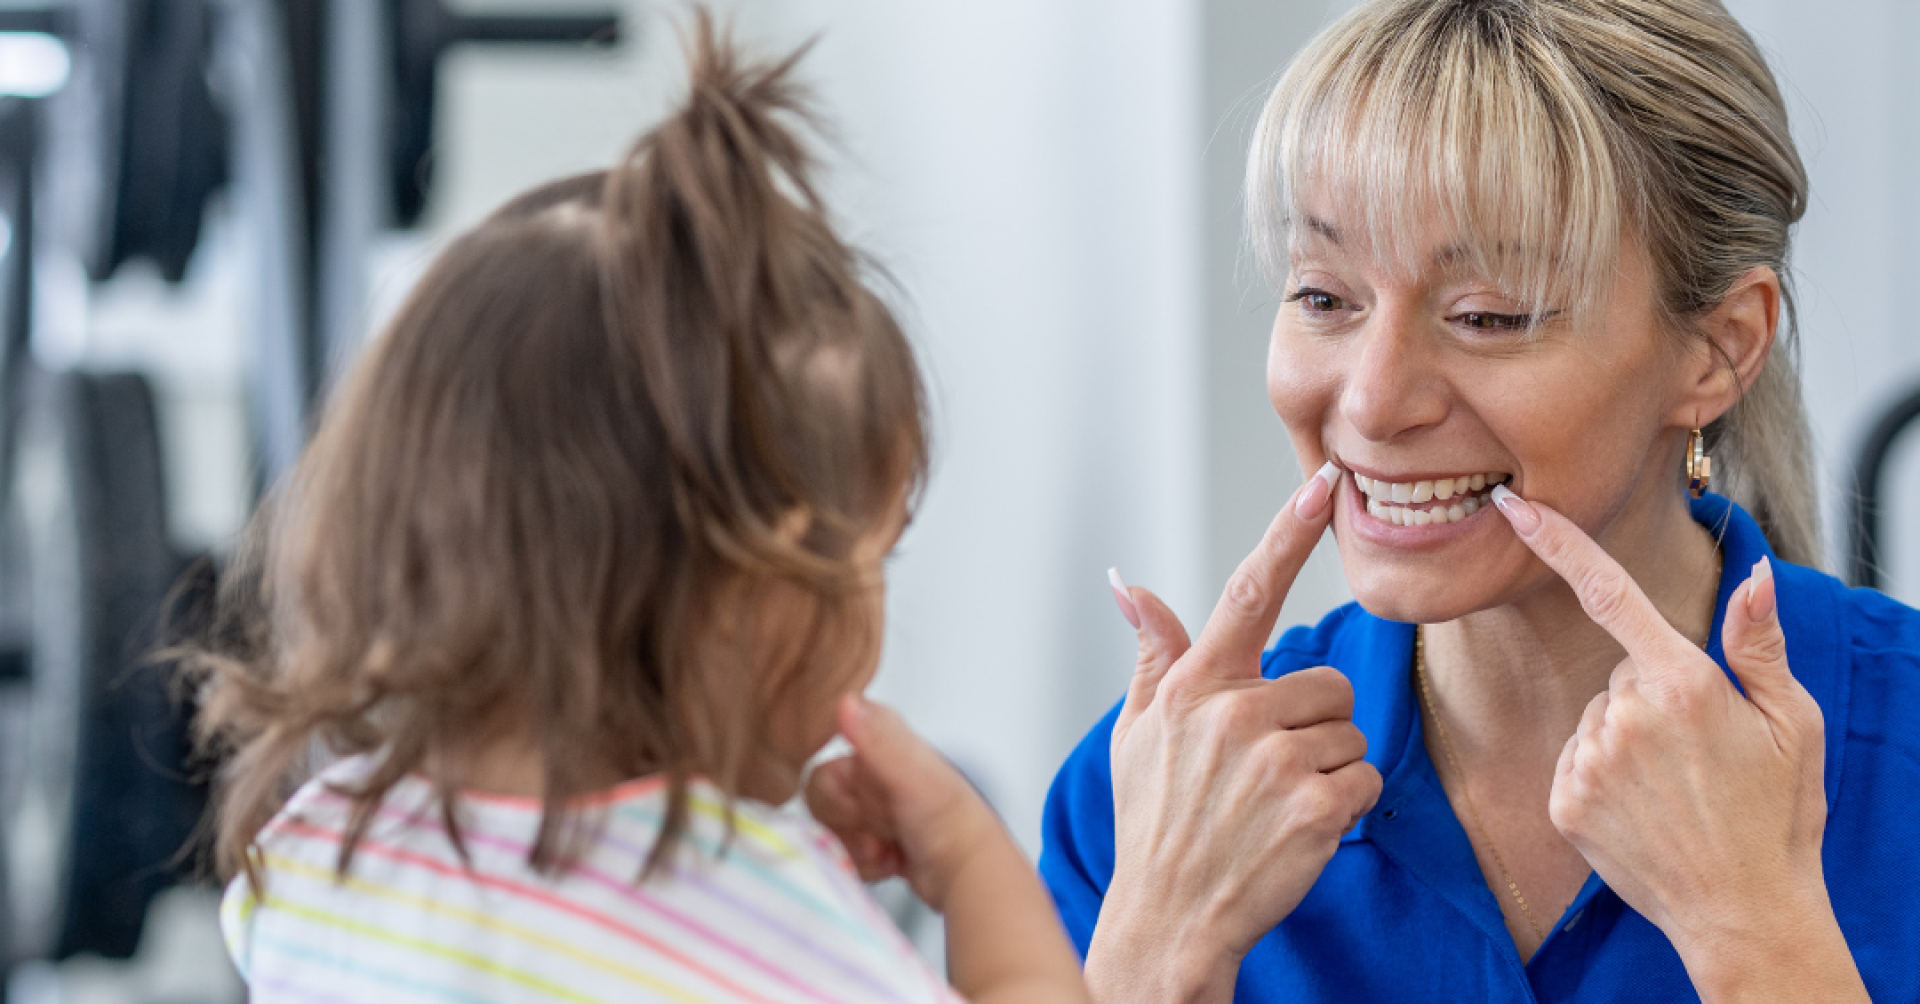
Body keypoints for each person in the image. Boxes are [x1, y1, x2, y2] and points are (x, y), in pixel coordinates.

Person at [188, 17, 1088, 1004]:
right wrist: (966, 853)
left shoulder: (317, 855)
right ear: (765, 584)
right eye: (879, 558)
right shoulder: (757, 925)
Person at [1041, 0, 1919, 1001]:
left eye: (1487, 316)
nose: (1372, 402)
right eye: (1324, 297)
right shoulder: (1141, 802)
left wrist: (1756, 933)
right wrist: (1155, 949)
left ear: (1720, 349)